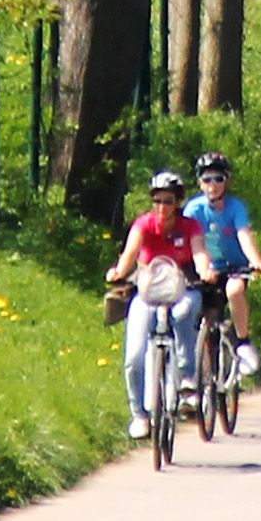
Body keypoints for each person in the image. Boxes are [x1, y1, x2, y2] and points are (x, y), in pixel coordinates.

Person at [103, 168, 210, 441]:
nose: (162, 207)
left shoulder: (189, 227)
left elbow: (199, 253)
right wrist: (118, 271)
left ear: (178, 203)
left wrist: (205, 269)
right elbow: (129, 255)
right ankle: (139, 414)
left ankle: (187, 379)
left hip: (183, 288)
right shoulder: (144, 225)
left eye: (169, 201)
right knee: (134, 356)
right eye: (158, 201)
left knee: (185, 311)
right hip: (149, 291)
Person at [185, 148, 261, 382]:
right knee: (192, 307)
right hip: (205, 268)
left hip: (233, 267)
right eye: (207, 179)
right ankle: (196, 366)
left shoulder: (235, 207)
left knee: (235, 290)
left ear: (227, 181)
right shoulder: (194, 209)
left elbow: (244, 235)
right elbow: (191, 240)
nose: (213, 184)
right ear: (200, 183)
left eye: (218, 178)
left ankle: (243, 342)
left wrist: (255, 260)